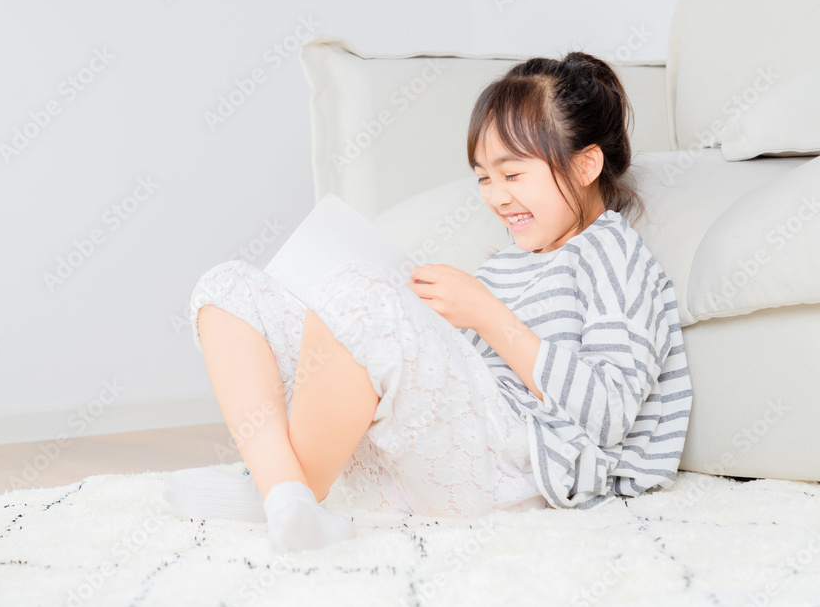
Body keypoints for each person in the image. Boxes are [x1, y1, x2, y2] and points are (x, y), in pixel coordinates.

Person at [163, 50, 693, 553]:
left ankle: (279, 490)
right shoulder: (505, 264)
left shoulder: (612, 253)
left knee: (359, 295)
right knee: (229, 287)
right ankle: (284, 493)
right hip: (429, 463)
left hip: (520, 472)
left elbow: (609, 415)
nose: (496, 195)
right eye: (484, 178)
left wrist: (484, 314)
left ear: (585, 165)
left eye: (512, 174)